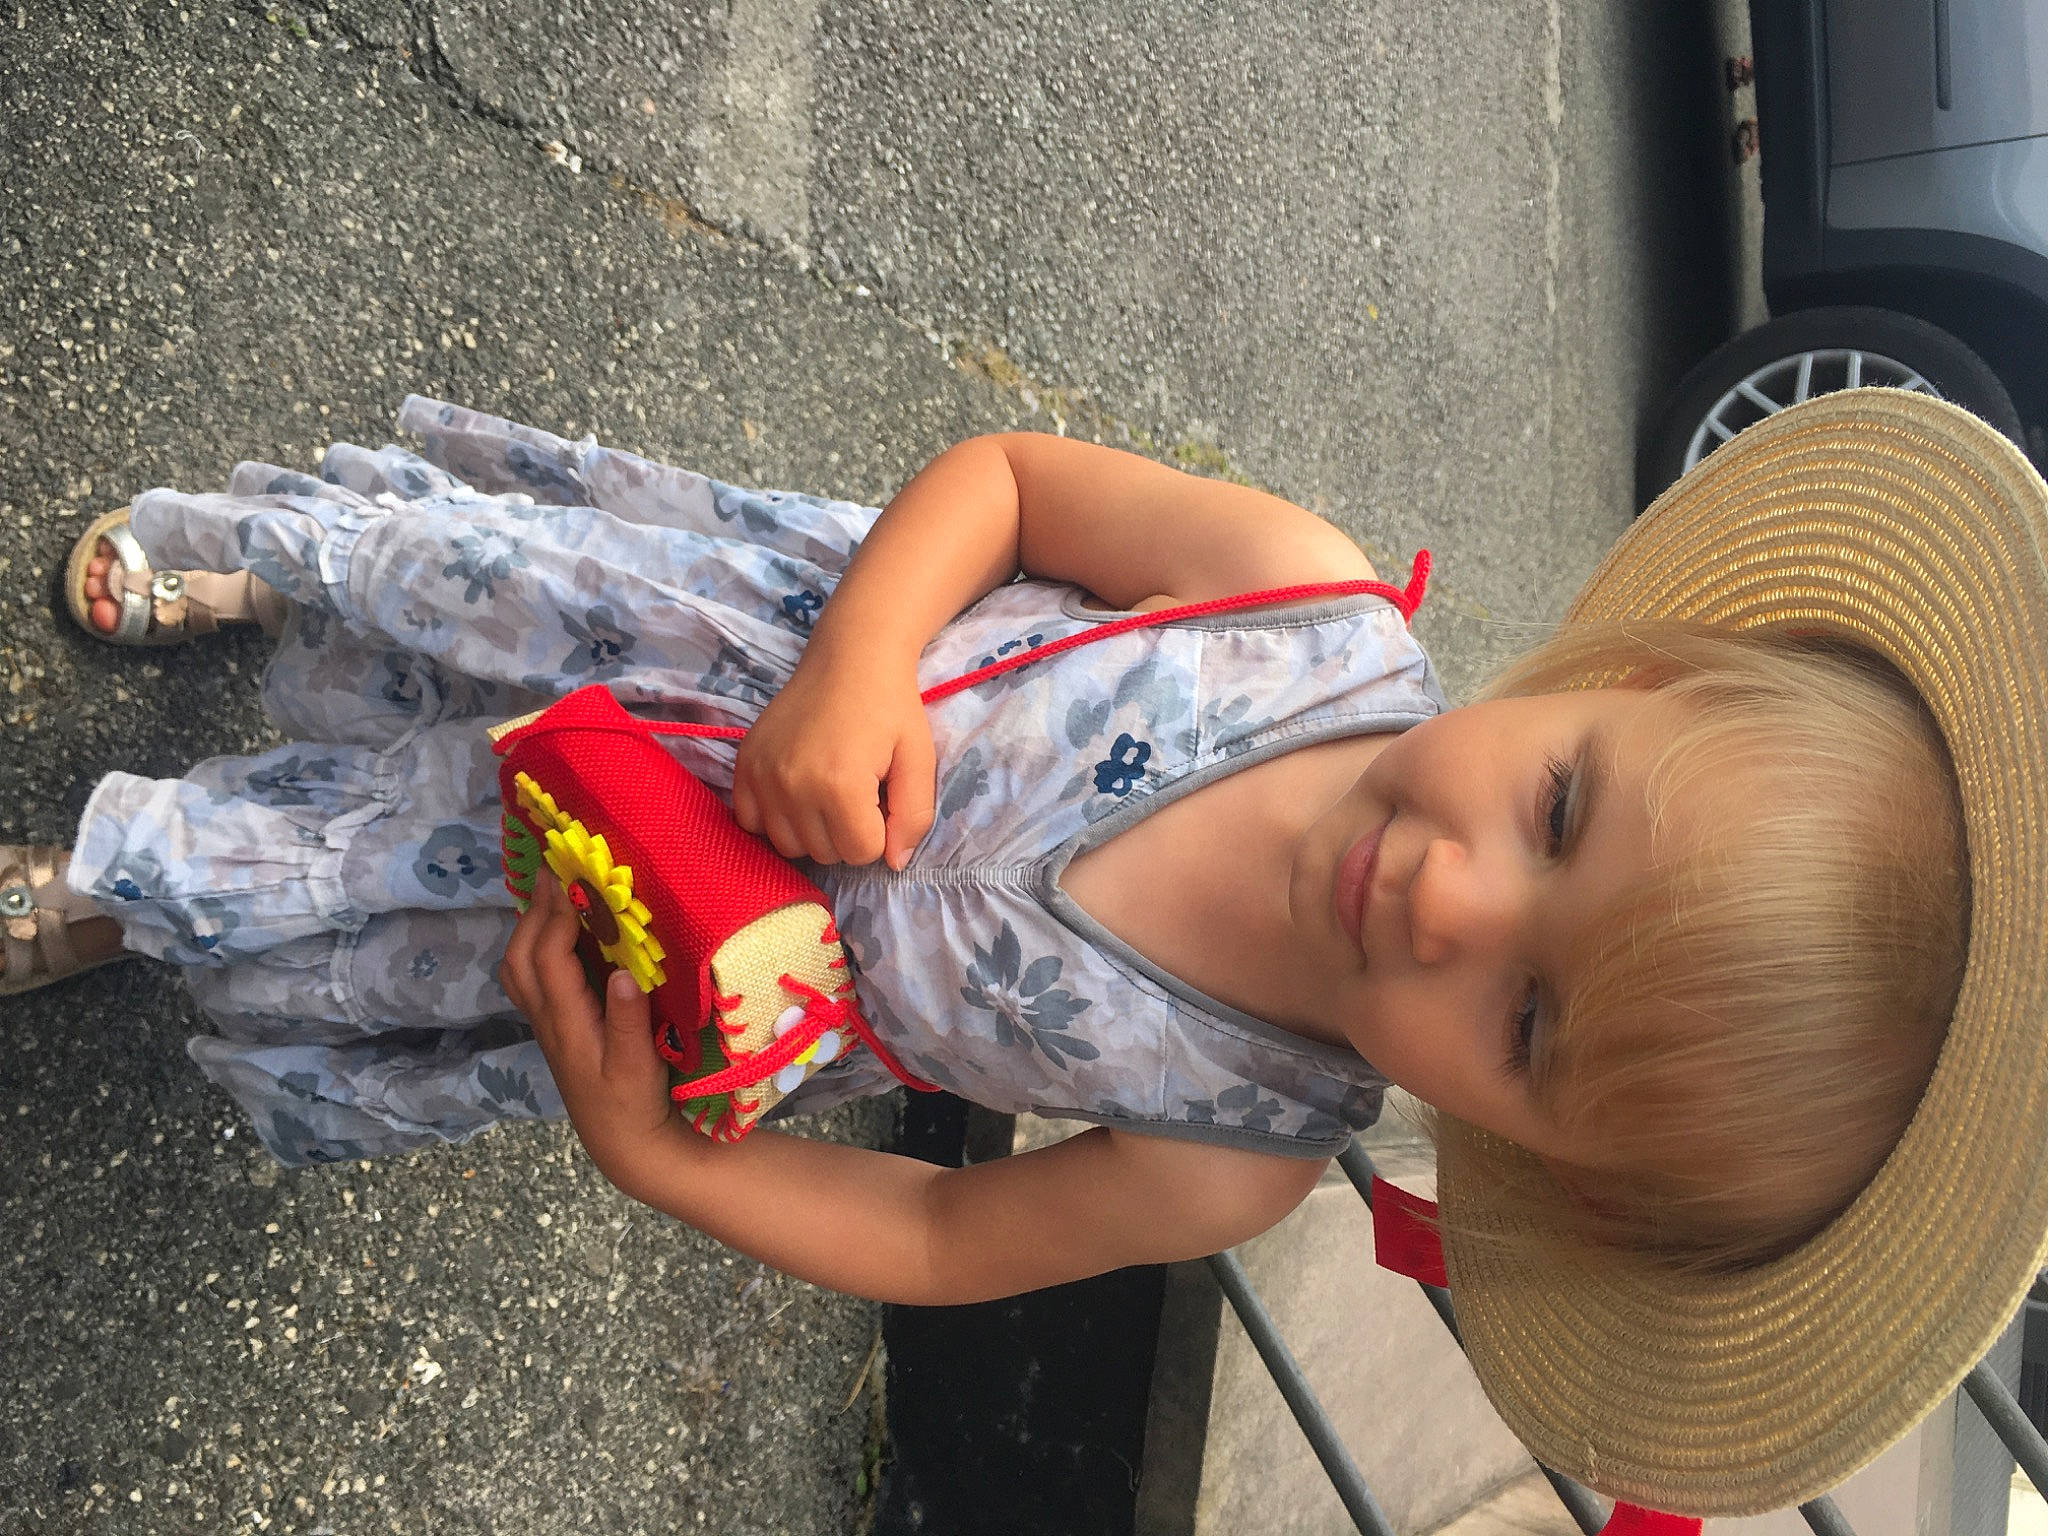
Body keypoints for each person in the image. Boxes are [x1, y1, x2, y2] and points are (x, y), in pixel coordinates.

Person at [6, 390, 2044, 1517]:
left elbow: (946, 1240)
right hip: (725, 658)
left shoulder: (1237, 1148)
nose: (1447, 900)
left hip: (683, 956)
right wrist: (862, 661)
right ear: (1618, 678)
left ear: (1524, 1151)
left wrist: (663, 1161)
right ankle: (262, 569)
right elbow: (1003, 488)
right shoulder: (1307, 615)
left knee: (418, 888)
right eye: (1564, 812)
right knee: (462, 604)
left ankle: (134, 882)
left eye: (1525, 1018)